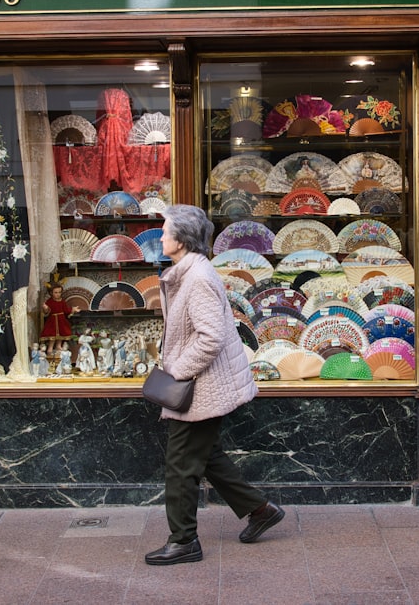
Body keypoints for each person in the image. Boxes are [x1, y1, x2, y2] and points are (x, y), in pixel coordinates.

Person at [145, 204, 284, 566]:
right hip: (204, 383)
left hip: (200, 386)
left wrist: (178, 371)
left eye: (165, 230)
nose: (161, 236)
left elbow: (210, 338)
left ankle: (184, 541)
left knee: (181, 464)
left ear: (182, 238)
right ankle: (259, 509)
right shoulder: (187, 272)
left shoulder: (198, 278)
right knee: (206, 456)